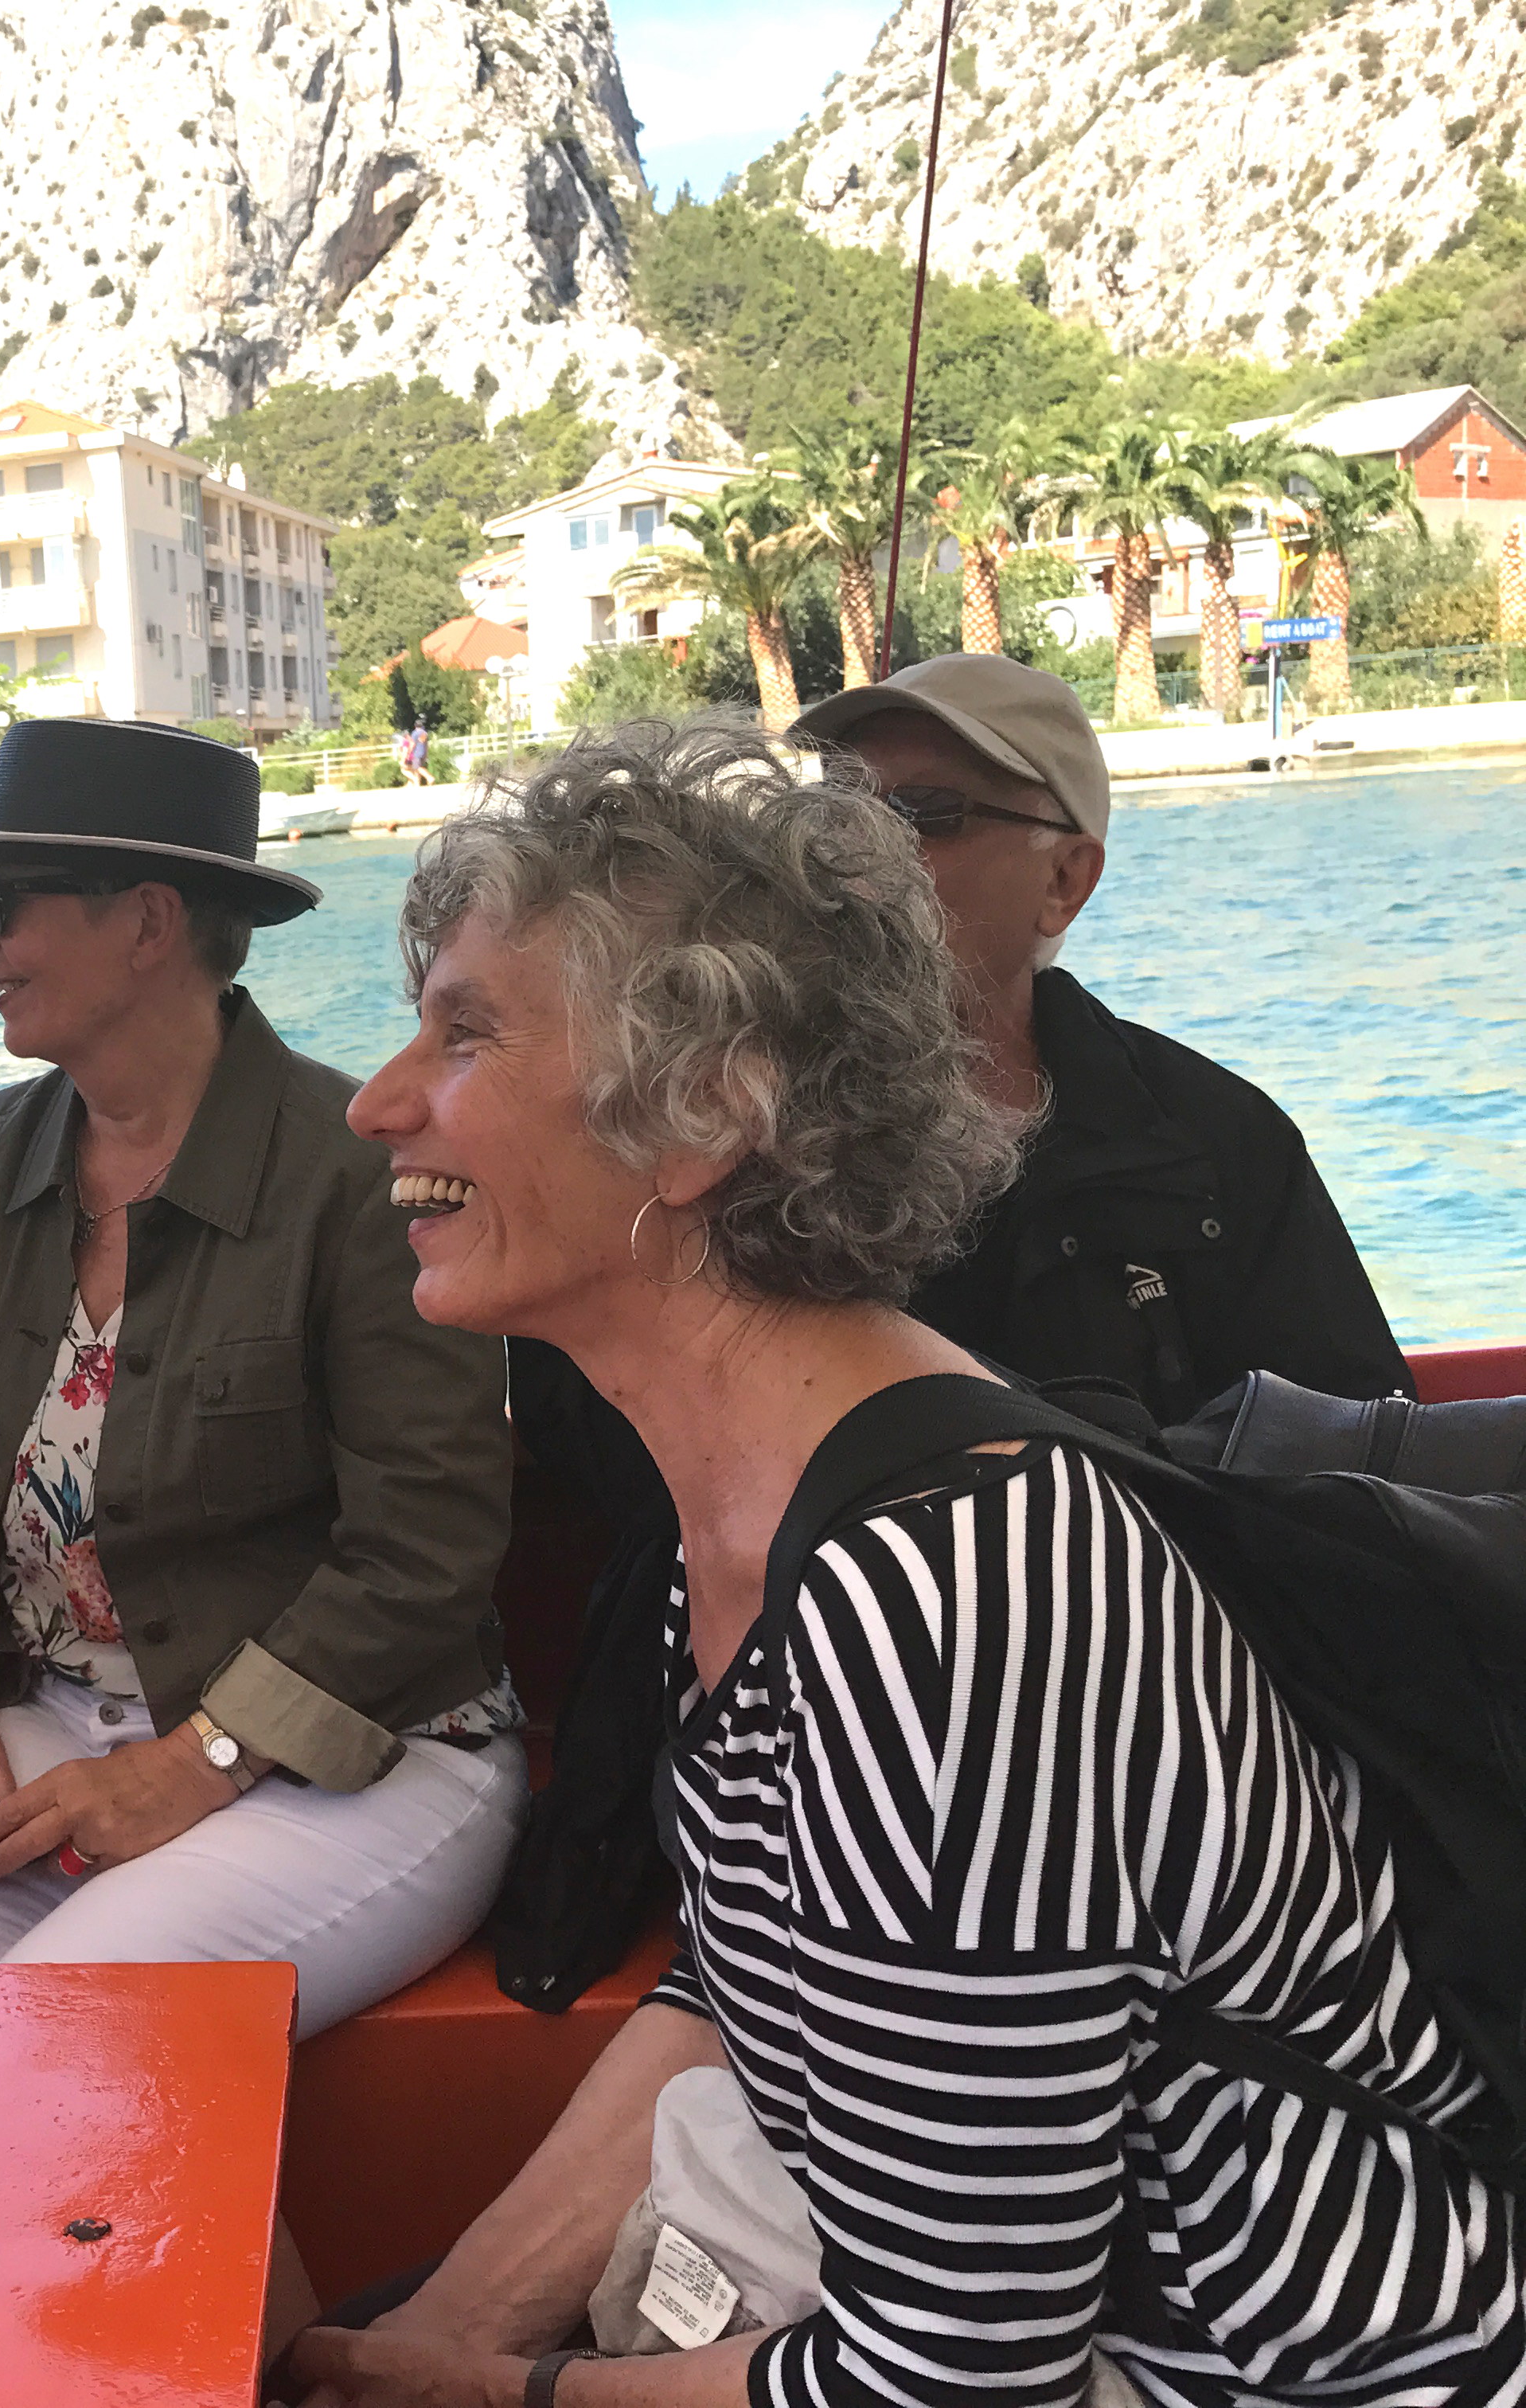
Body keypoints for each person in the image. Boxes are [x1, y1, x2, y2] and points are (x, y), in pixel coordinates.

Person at [286, 716, 1520, 2406]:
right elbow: (742, 1988)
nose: (377, 1102)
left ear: (705, 1111)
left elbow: (959, 2380)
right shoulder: (755, 1506)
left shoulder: (937, 1607)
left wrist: (503, 2393)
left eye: (466, 1033)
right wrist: (453, 2327)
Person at [496, 656, 1416, 2008]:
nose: (855, 850)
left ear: (1067, 880)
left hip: (1148, 1762)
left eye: (925, 815)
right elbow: (596, 1436)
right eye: (836, 807)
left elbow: (1342, 1482)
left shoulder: (1215, 1147)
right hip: (778, 1763)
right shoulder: (705, 1131)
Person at [0, 718, 524, 2041]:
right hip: (67, 1722)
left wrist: (196, 1763)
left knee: (67, 2039)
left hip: (371, 1751)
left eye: (1, 900)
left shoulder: (359, 1177)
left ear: (146, 923)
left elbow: (425, 1547)